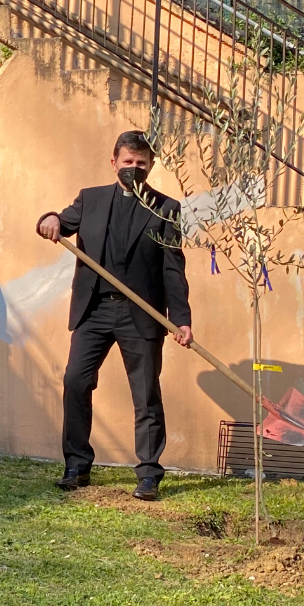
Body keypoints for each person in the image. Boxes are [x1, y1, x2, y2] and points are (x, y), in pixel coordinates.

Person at [36, 131, 192, 501]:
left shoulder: (166, 208)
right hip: (94, 309)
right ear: (114, 162)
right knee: (75, 381)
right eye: (127, 163)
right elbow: (60, 220)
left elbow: (173, 270)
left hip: (142, 313)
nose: (133, 169)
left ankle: (149, 473)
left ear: (150, 166)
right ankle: (76, 466)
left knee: (146, 393)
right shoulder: (91, 199)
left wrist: (182, 318)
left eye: (140, 164)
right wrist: (50, 219)